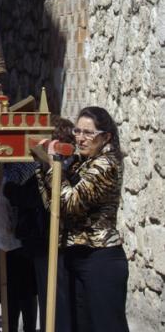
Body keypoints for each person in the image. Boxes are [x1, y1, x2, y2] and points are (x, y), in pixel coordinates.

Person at [38, 106, 129, 332]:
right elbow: (53, 206)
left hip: (100, 258)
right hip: (76, 255)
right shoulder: (81, 161)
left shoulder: (106, 164)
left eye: (88, 133)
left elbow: (70, 204)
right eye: (77, 131)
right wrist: (42, 167)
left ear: (106, 136)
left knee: (106, 326)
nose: (80, 138)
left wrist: (53, 168)